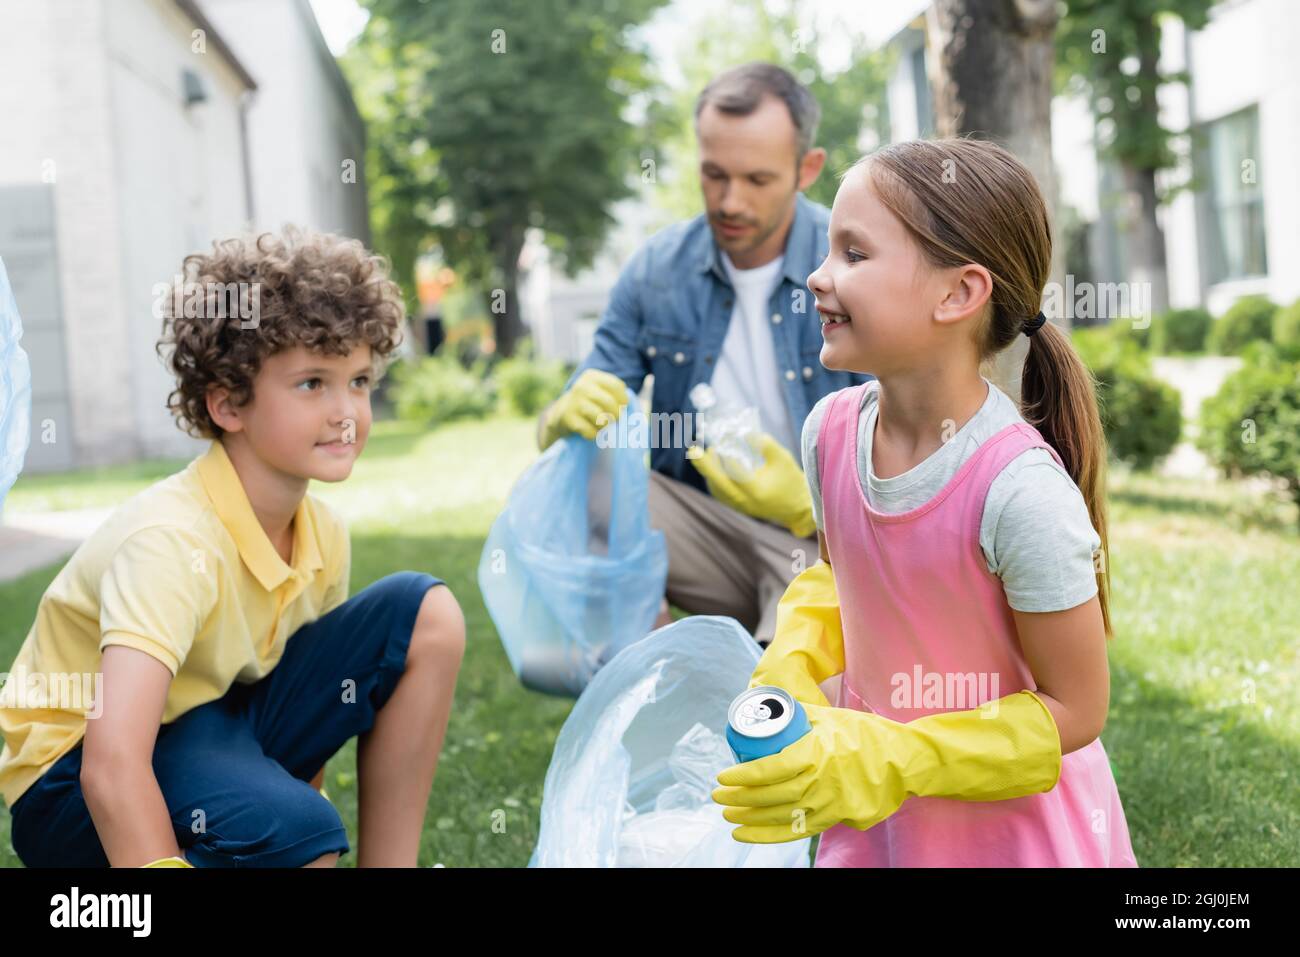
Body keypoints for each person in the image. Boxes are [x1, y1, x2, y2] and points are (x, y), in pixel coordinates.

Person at [712, 137, 1139, 867]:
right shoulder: (831, 434)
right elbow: (845, 579)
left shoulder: (1019, 491)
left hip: (1012, 837)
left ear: (957, 293)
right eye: (826, 251)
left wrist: (900, 756)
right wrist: (792, 661)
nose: (816, 277)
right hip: (876, 820)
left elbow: (1077, 709)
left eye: (853, 254)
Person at [0, 228, 465, 867]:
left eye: (358, 380)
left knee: (426, 614)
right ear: (227, 404)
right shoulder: (170, 542)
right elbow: (110, 767)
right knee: (299, 837)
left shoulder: (322, 534)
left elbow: (305, 714)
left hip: (209, 729)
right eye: (312, 384)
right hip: (72, 784)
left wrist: (286, 817)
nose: (347, 410)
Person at [536, 62, 870, 646]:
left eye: (757, 180)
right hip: (707, 536)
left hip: (830, 545)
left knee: (775, 712)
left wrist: (807, 506)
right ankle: (651, 669)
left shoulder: (855, 263)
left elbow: (925, 454)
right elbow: (578, 411)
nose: (730, 201)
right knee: (591, 472)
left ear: (807, 169)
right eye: (714, 175)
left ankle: (781, 659)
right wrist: (558, 419)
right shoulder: (657, 270)